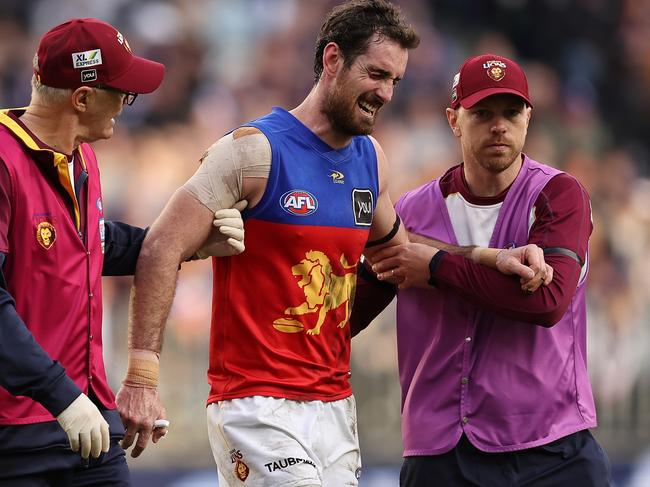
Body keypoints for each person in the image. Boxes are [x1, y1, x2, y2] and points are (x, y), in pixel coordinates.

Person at [115, 3, 546, 486]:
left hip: (334, 405)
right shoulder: (253, 150)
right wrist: (141, 379)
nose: (385, 93)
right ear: (334, 59)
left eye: (396, 81)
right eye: (377, 74)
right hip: (257, 404)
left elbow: (397, 255)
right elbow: (161, 246)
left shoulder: (370, 159)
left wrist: (490, 256)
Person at [0, 18, 242, 486]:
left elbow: (91, 243)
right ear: (83, 98)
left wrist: (190, 244)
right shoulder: (3, 162)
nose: (129, 105)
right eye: (123, 94)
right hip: (17, 436)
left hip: (87, 425)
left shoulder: (81, 155)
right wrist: (61, 398)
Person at [361, 53, 612, 486]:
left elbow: (547, 302)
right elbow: (349, 310)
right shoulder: (412, 211)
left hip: (551, 450)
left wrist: (436, 266)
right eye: (482, 113)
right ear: (453, 119)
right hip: (440, 456)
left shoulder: (558, 195)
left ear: (528, 118)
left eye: (511, 112)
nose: (499, 125)